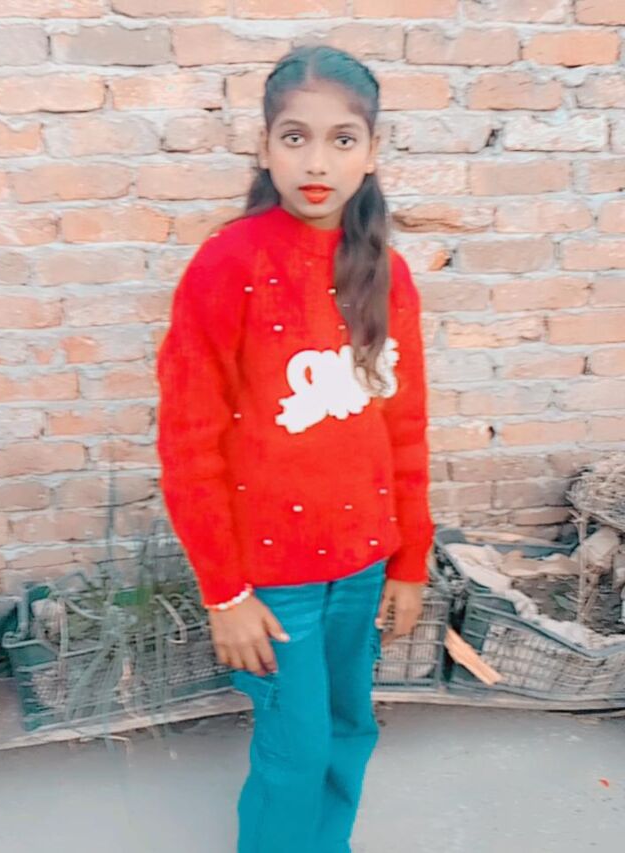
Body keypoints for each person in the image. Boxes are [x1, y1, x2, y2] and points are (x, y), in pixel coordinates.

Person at [156, 44, 434, 853]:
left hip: (363, 564)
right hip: (273, 578)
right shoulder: (227, 265)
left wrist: (410, 560)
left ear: (372, 151)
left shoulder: (387, 273)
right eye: (295, 137)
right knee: (297, 746)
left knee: (350, 728)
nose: (317, 162)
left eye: (342, 139)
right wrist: (224, 592)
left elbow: (405, 426)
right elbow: (189, 443)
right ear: (264, 145)